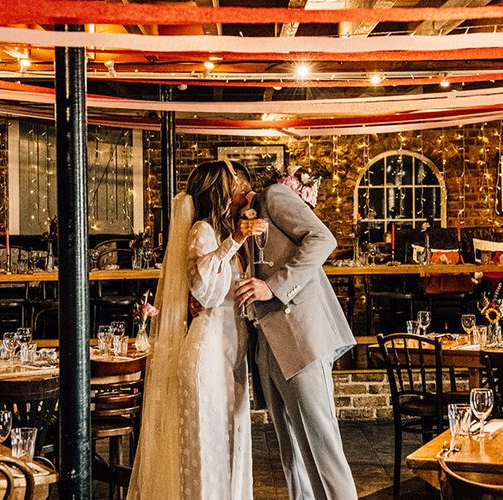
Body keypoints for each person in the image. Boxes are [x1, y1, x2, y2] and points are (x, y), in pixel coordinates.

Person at [127, 160, 267, 500]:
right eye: (234, 183)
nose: (240, 188)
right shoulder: (201, 231)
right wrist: (234, 240)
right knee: (206, 450)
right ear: (219, 191)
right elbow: (204, 288)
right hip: (206, 356)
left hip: (231, 352)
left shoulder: (223, 232)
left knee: (232, 445)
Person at [231, 163, 357, 500]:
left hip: (299, 334)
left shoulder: (274, 196)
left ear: (242, 183)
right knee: (291, 453)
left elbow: (322, 239)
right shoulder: (239, 222)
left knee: (321, 444)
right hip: (266, 341)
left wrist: (273, 286)